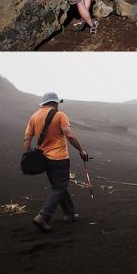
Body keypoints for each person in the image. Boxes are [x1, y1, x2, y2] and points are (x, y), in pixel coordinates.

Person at [23, 92, 89, 232]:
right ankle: (43, 216)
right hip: (59, 158)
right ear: (54, 102)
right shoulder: (60, 115)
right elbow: (69, 135)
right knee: (59, 187)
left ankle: (69, 214)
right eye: (58, 102)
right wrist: (81, 150)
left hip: (44, 159)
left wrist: (27, 153)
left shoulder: (34, 116)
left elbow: (27, 138)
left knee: (59, 185)